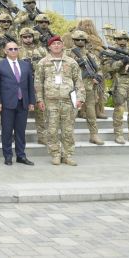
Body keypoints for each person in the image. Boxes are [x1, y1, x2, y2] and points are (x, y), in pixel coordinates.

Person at [35, 36, 85, 166]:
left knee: (68, 130)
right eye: (54, 44)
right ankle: (55, 154)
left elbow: (78, 81)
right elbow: (38, 82)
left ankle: (68, 155)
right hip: (50, 101)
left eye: (58, 43)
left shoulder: (71, 62)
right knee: (51, 130)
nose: (56, 46)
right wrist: (39, 99)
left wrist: (80, 98)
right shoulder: (43, 62)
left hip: (68, 101)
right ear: (49, 47)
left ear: (62, 46)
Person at [0, 41, 36, 165]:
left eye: (15, 49)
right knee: (7, 131)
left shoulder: (25, 65)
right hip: (7, 103)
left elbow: (30, 84)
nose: (13, 51)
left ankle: (21, 156)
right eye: (10, 49)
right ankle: (8, 156)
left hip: (23, 102)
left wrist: (31, 101)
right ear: (5, 51)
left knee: (20, 131)